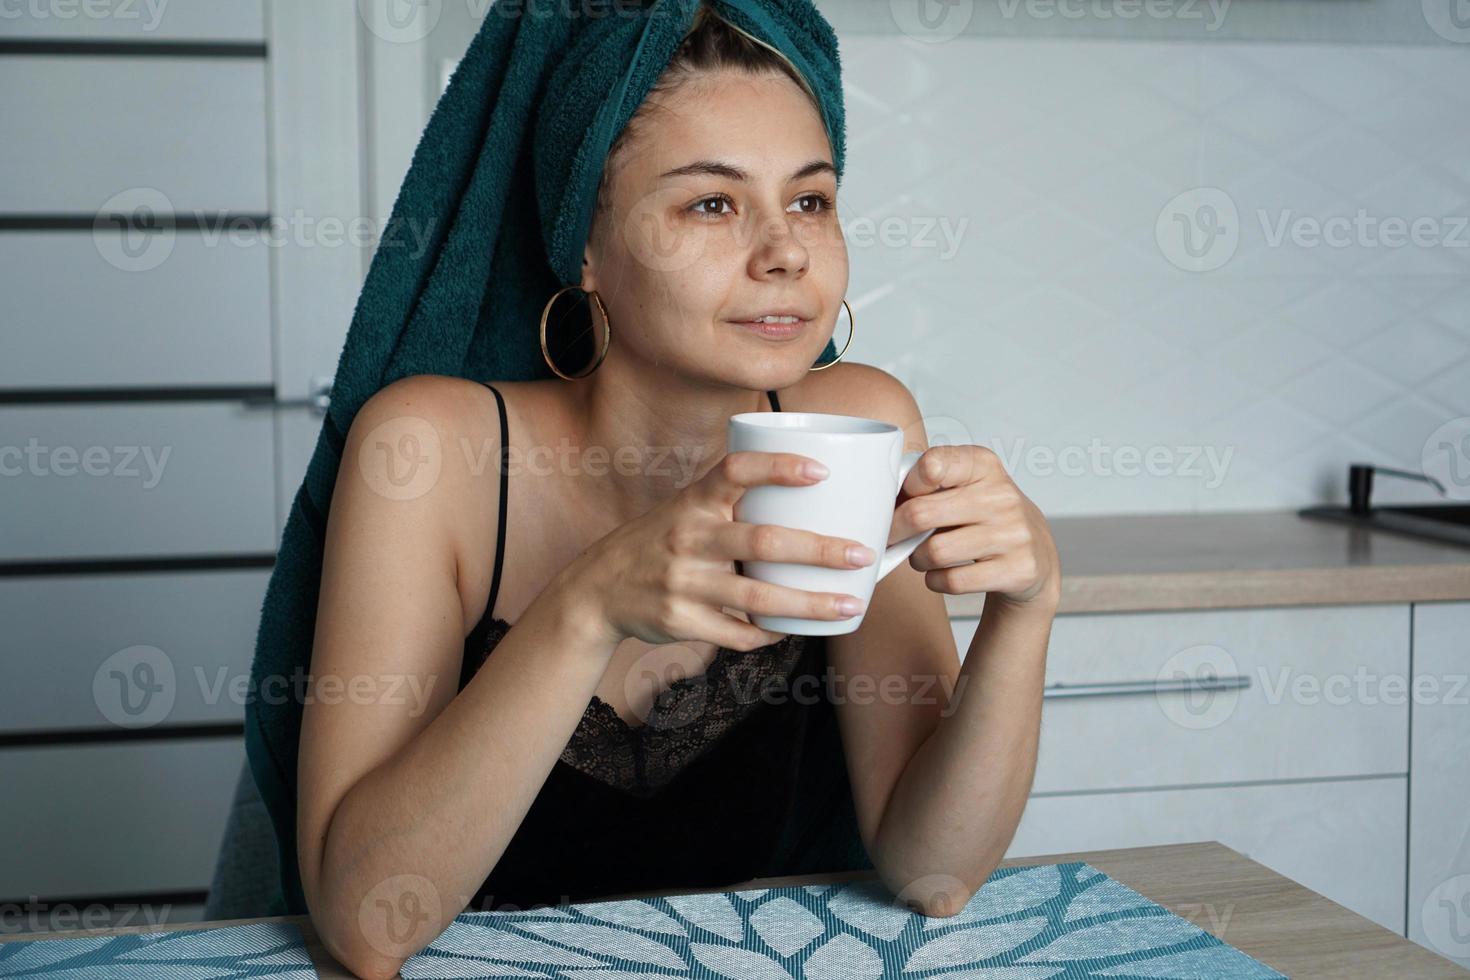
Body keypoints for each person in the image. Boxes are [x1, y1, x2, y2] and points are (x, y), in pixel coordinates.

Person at [296, 6, 1060, 978]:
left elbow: (935, 872)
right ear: (587, 247)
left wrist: (1026, 613)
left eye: (812, 201)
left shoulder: (862, 422)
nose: (786, 250)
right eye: (713, 203)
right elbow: (365, 926)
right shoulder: (428, 452)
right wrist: (588, 604)